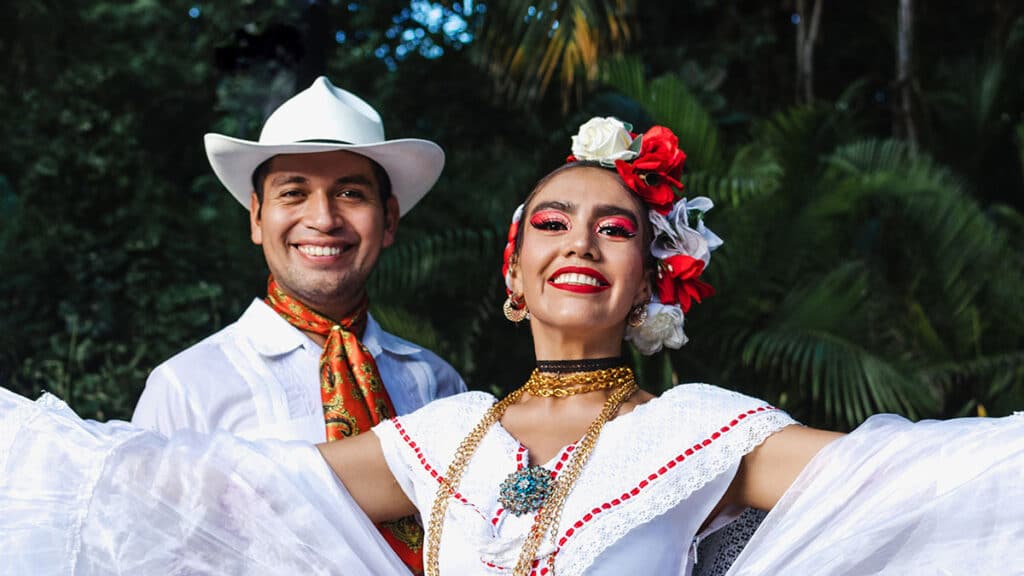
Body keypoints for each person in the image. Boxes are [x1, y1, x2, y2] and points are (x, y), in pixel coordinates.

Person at [0, 118, 1021, 576]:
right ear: (513, 274)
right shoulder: (442, 434)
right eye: (550, 223)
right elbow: (203, 497)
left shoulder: (707, 432)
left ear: (652, 282)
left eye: (614, 227)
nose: (580, 238)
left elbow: (919, 481)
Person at [131, 76, 466, 573]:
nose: (323, 218)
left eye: (350, 193)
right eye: (293, 193)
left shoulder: (438, 383)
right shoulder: (186, 388)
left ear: (389, 219)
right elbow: (143, 553)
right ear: (256, 218)